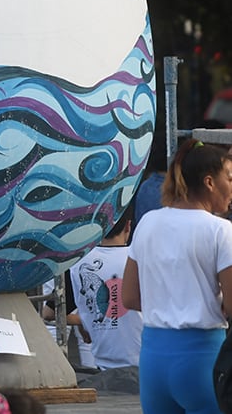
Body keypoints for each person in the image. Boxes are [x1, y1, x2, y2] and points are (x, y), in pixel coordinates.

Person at [123, 138, 232, 414]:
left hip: (153, 358)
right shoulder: (220, 231)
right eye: (229, 178)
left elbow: (129, 297)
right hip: (203, 357)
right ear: (209, 182)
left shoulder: (147, 223)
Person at [66, 207, 142, 369]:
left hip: (104, 369)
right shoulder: (139, 258)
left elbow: (50, 314)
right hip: (146, 366)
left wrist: (86, 319)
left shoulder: (77, 263)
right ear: (128, 226)